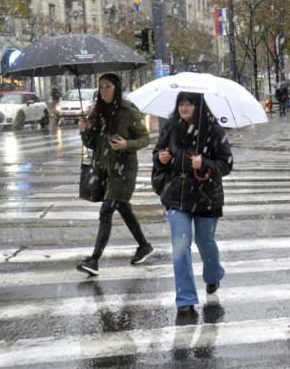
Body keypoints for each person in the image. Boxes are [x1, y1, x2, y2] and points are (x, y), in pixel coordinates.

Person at [152, 92, 233, 316]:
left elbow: (227, 163)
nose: (184, 108)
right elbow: (158, 151)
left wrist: (204, 162)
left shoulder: (213, 130)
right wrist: (161, 157)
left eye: (189, 103)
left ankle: (214, 274)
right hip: (177, 197)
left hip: (206, 198)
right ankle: (185, 299)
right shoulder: (171, 127)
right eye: (181, 103)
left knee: (205, 241)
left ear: (198, 106)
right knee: (180, 246)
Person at [76, 73, 153, 275]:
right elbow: (92, 144)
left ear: (116, 88)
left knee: (106, 211)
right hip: (105, 171)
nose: (103, 91)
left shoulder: (128, 111)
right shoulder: (98, 112)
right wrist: (84, 130)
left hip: (124, 171)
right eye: (101, 87)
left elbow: (145, 139)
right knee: (123, 208)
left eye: (107, 86)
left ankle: (94, 260)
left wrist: (127, 144)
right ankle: (144, 246)